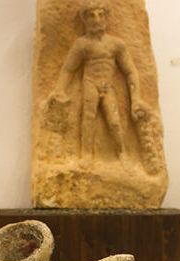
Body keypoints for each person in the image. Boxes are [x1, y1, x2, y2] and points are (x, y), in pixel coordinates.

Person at [47, 1, 146, 163]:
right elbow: (68, 69)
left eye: (100, 15)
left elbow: (130, 71)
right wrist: (59, 89)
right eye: (91, 15)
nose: (96, 19)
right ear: (85, 19)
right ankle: (86, 155)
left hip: (107, 85)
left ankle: (122, 153)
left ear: (106, 17)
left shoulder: (116, 44)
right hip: (90, 83)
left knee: (114, 121)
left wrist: (136, 98)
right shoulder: (81, 44)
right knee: (88, 118)